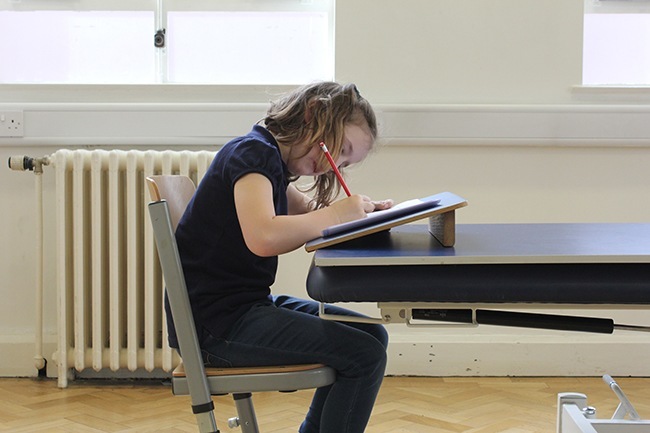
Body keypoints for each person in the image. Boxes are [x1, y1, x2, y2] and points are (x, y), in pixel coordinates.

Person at [170, 81, 393, 433]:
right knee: (363, 355)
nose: (334, 166)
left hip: (240, 310)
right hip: (218, 327)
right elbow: (264, 236)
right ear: (314, 113)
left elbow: (312, 216)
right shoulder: (252, 155)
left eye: (347, 162)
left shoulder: (269, 161)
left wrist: (365, 216)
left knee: (372, 337)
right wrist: (336, 215)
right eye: (342, 149)